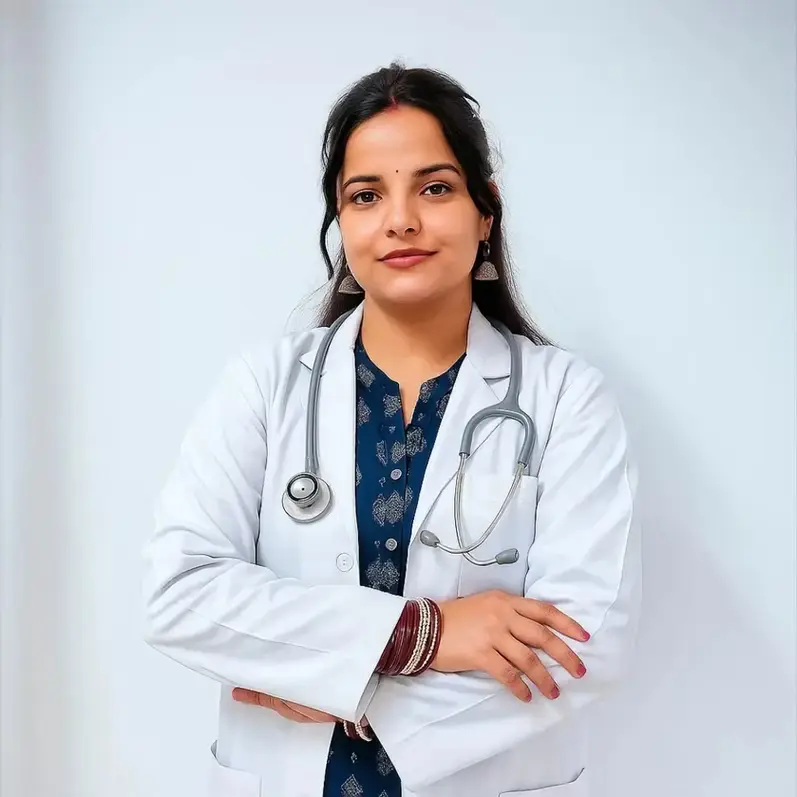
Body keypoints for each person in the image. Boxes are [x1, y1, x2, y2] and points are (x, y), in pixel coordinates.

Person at [142, 62, 641, 797]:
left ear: (485, 211)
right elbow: (178, 594)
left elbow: (582, 644)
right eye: (366, 195)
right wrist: (425, 635)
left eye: (434, 188)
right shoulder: (263, 384)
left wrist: (341, 683)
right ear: (341, 224)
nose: (400, 219)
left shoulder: (565, 398)